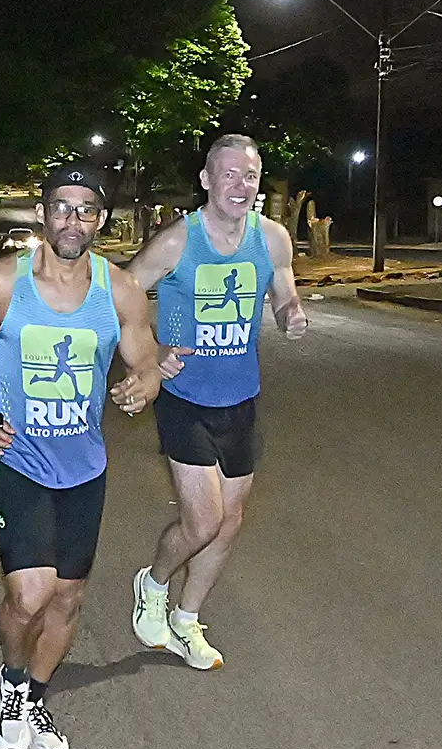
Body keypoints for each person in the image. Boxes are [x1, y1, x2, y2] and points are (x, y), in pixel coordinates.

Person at [0, 162, 161, 749]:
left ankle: (35, 695)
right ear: (43, 214)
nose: (73, 219)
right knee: (31, 594)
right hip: (17, 458)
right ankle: (11, 686)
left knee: (68, 597)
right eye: (62, 207)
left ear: (100, 220)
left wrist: (145, 384)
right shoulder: (0, 283)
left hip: (84, 464)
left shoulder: (120, 292)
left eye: (86, 210)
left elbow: (146, 362)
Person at [126, 134, 307, 669]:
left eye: (249, 176)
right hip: (186, 398)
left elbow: (282, 286)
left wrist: (289, 312)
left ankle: (186, 620)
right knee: (203, 521)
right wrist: (152, 350)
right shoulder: (178, 241)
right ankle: (153, 582)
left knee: (230, 521)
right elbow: (121, 293)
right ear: (206, 179)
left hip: (241, 397)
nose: (240, 185)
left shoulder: (272, 237)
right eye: (228, 174)